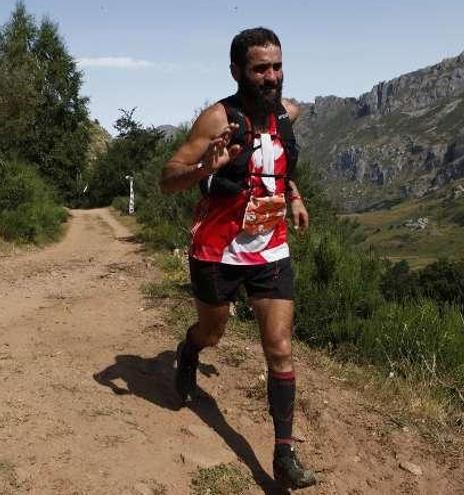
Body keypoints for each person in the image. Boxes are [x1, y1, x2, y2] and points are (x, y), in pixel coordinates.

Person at [158, 27, 317, 489]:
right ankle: (190, 350)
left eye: (277, 67)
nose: (271, 77)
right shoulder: (216, 120)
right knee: (213, 331)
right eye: (260, 69)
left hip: (270, 248)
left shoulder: (286, 116)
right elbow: (167, 179)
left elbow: (277, 166)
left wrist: (296, 196)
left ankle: (283, 454)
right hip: (217, 250)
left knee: (280, 347)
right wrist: (206, 167)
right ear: (237, 72)